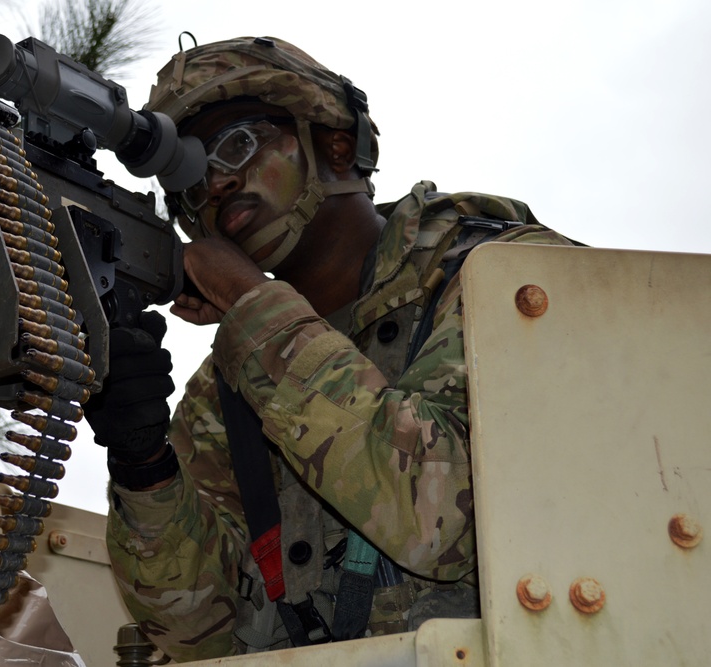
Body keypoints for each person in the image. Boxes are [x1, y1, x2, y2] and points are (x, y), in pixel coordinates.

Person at [82, 35, 575, 661]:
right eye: (192, 181)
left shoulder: (501, 276)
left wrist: (248, 302)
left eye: (237, 145)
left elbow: (446, 522)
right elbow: (194, 628)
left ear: (334, 145)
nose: (218, 183)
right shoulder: (231, 380)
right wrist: (143, 461)